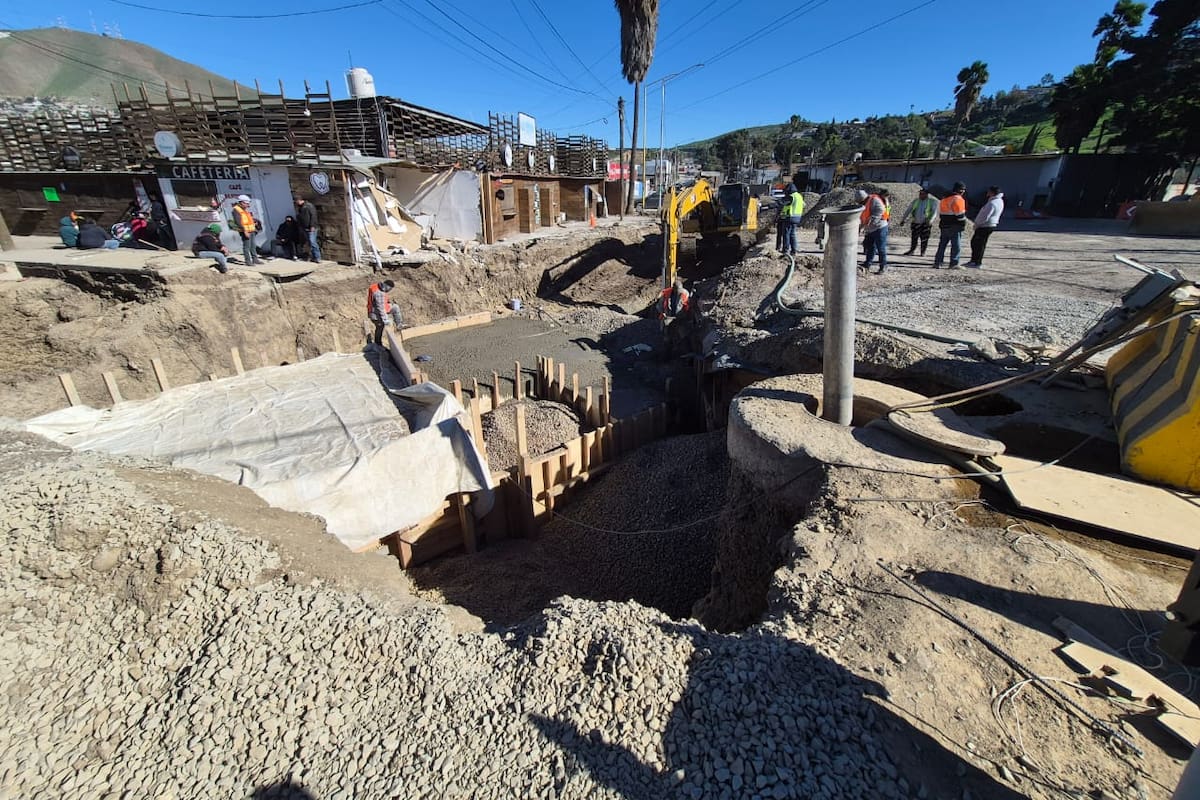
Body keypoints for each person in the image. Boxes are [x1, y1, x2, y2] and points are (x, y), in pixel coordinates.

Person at [965, 186, 1004, 268]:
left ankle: (976, 262)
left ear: (992, 193)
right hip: (990, 225)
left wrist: (977, 224)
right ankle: (975, 261)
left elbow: (985, 216)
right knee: (979, 244)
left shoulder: (992, 203)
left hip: (985, 226)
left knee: (977, 244)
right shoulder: (999, 201)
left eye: (989, 191)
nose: (987, 193)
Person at [933, 181, 968, 269]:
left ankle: (938, 262)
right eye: (963, 190)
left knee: (942, 245)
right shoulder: (958, 199)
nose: (963, 191)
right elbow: (960, 214)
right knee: (956, 245)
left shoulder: (944, 199)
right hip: (955, 226)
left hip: (944, 225)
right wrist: (963, 223)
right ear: (960, 190)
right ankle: (954, 263)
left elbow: (940, 213)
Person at [858, 188, 890, 274]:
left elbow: (881, 210)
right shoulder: (864, 203)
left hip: (880, 227)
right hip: (870, 229)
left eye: (861, 201)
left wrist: (870, 222)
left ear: (864, 198)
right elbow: (863, 217)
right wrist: (861, 227)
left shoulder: (874, 199)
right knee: (870, 247)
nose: (861, 203)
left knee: (881, 248)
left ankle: (883, 266)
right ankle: (867, 264)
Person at [900, 188, 938, 256]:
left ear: (926, 194)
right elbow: (908, 210)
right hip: (916, 223)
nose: (920, 195)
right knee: (914, 238)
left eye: (922, 194)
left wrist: (930, 221)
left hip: (925, 223)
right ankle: (912, 250)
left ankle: (923, 252)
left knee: (924, 239)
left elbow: (934, 212)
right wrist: (903, 219)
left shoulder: (932, 202)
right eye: (920, 193)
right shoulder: (916, 201)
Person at [367, 279, 404, 346]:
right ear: (387, 286)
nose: (389, 291)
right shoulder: (379, 293)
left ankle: (399, 325)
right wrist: (386, 320)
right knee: (380, 327)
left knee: (395, 307)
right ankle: (378, 344)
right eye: (389, 289)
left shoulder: (378, 287)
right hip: (375, 314)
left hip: (376, 310)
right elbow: (381, 308)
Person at [230, 194, 262, 266]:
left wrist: (254, 222)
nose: (248, 205)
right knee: (247, 246)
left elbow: (246, 220)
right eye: (246, 203)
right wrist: (245, 231)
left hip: (251, 230)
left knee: (253, 245)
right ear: (241, 202)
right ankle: (248, 261)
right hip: (245, 231)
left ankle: (255, 259)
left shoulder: (244, 210)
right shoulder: (236, 210)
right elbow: (238, 222)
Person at [295, 196, 321, 263]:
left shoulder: (309, 206)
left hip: (311, 227)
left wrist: (312, 226)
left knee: (312, 242)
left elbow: (313, 216)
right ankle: (312, 257)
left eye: (297, 201)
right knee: (309, 243)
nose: (296, 202)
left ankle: (318, 257)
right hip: (304, 227)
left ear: (301, 200)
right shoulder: (300, 207)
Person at [781, 183, 804, 256]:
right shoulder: (799, 196)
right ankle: (793, 250)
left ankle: (785, 250)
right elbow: (804, 205)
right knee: (792, 234)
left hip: (790, 218)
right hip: (797, 218)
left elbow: (782, 203)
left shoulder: (791, 196)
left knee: (786, 234)